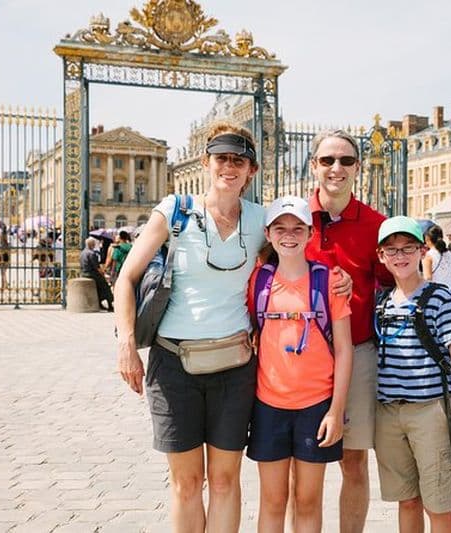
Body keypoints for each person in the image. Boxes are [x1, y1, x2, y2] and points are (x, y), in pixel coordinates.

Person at [114, 122, 352, 532]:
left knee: (225, 481)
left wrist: (340, 276)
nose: (230, 167)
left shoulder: (260, 219)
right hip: (174, 366)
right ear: (207, 162)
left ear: (251, 171)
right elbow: (126, 278)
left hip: (233, 367)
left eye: (239, 161)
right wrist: (127, 343)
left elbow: (295, 249)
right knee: (187, 483)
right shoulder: (175, 210)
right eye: (222, 158)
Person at [374, 216, 451, 533]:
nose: (400, 256)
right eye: (392, 250)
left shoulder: (440, 298)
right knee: (407, 500)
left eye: (408, 248)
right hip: (388, 414)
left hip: (430, 411)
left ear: (422, 251)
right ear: (381, 256)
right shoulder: (381, 303)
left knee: (438, 504)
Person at [303, 129, 394, 533]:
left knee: (353, 460)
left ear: (358, 168)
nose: (336, 168)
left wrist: (359, 290)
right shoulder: (292, 218)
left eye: (345, 161)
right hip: (299, 357)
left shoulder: (377, 224)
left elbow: (393, 288)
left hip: (355, 352)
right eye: (327, 160)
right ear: (313, 167)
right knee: (303, 467)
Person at [247, 196, 353, 533]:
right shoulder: (258, 281)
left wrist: (336, 411)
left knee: (308, 500)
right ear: (269, 233)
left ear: (310, 233)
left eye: (297, 228)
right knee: (273, 500)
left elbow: (345, 349)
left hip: (316, 406)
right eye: (281, 228)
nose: (289, 235)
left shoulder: (328, 281)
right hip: (269, 404)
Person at [80, 237, 114, 311]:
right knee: (105, 286)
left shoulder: (82, 252)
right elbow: (97, 268)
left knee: (99, 287)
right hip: (92, 274)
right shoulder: (92, 253)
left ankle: (100, 303)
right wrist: (103, 274)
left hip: (84, 273)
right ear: (92, 244)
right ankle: (110, 305)